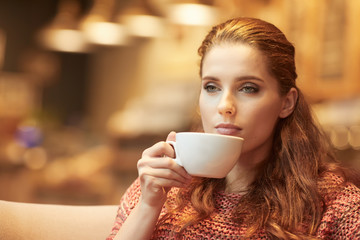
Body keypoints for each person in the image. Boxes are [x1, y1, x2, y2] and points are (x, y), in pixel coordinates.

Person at [107, 17, 360, 239]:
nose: (224, 106)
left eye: (248, 88)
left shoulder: (335, 205)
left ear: (286, 103)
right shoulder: (159, 187)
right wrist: (148, 207)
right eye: (212, 87)